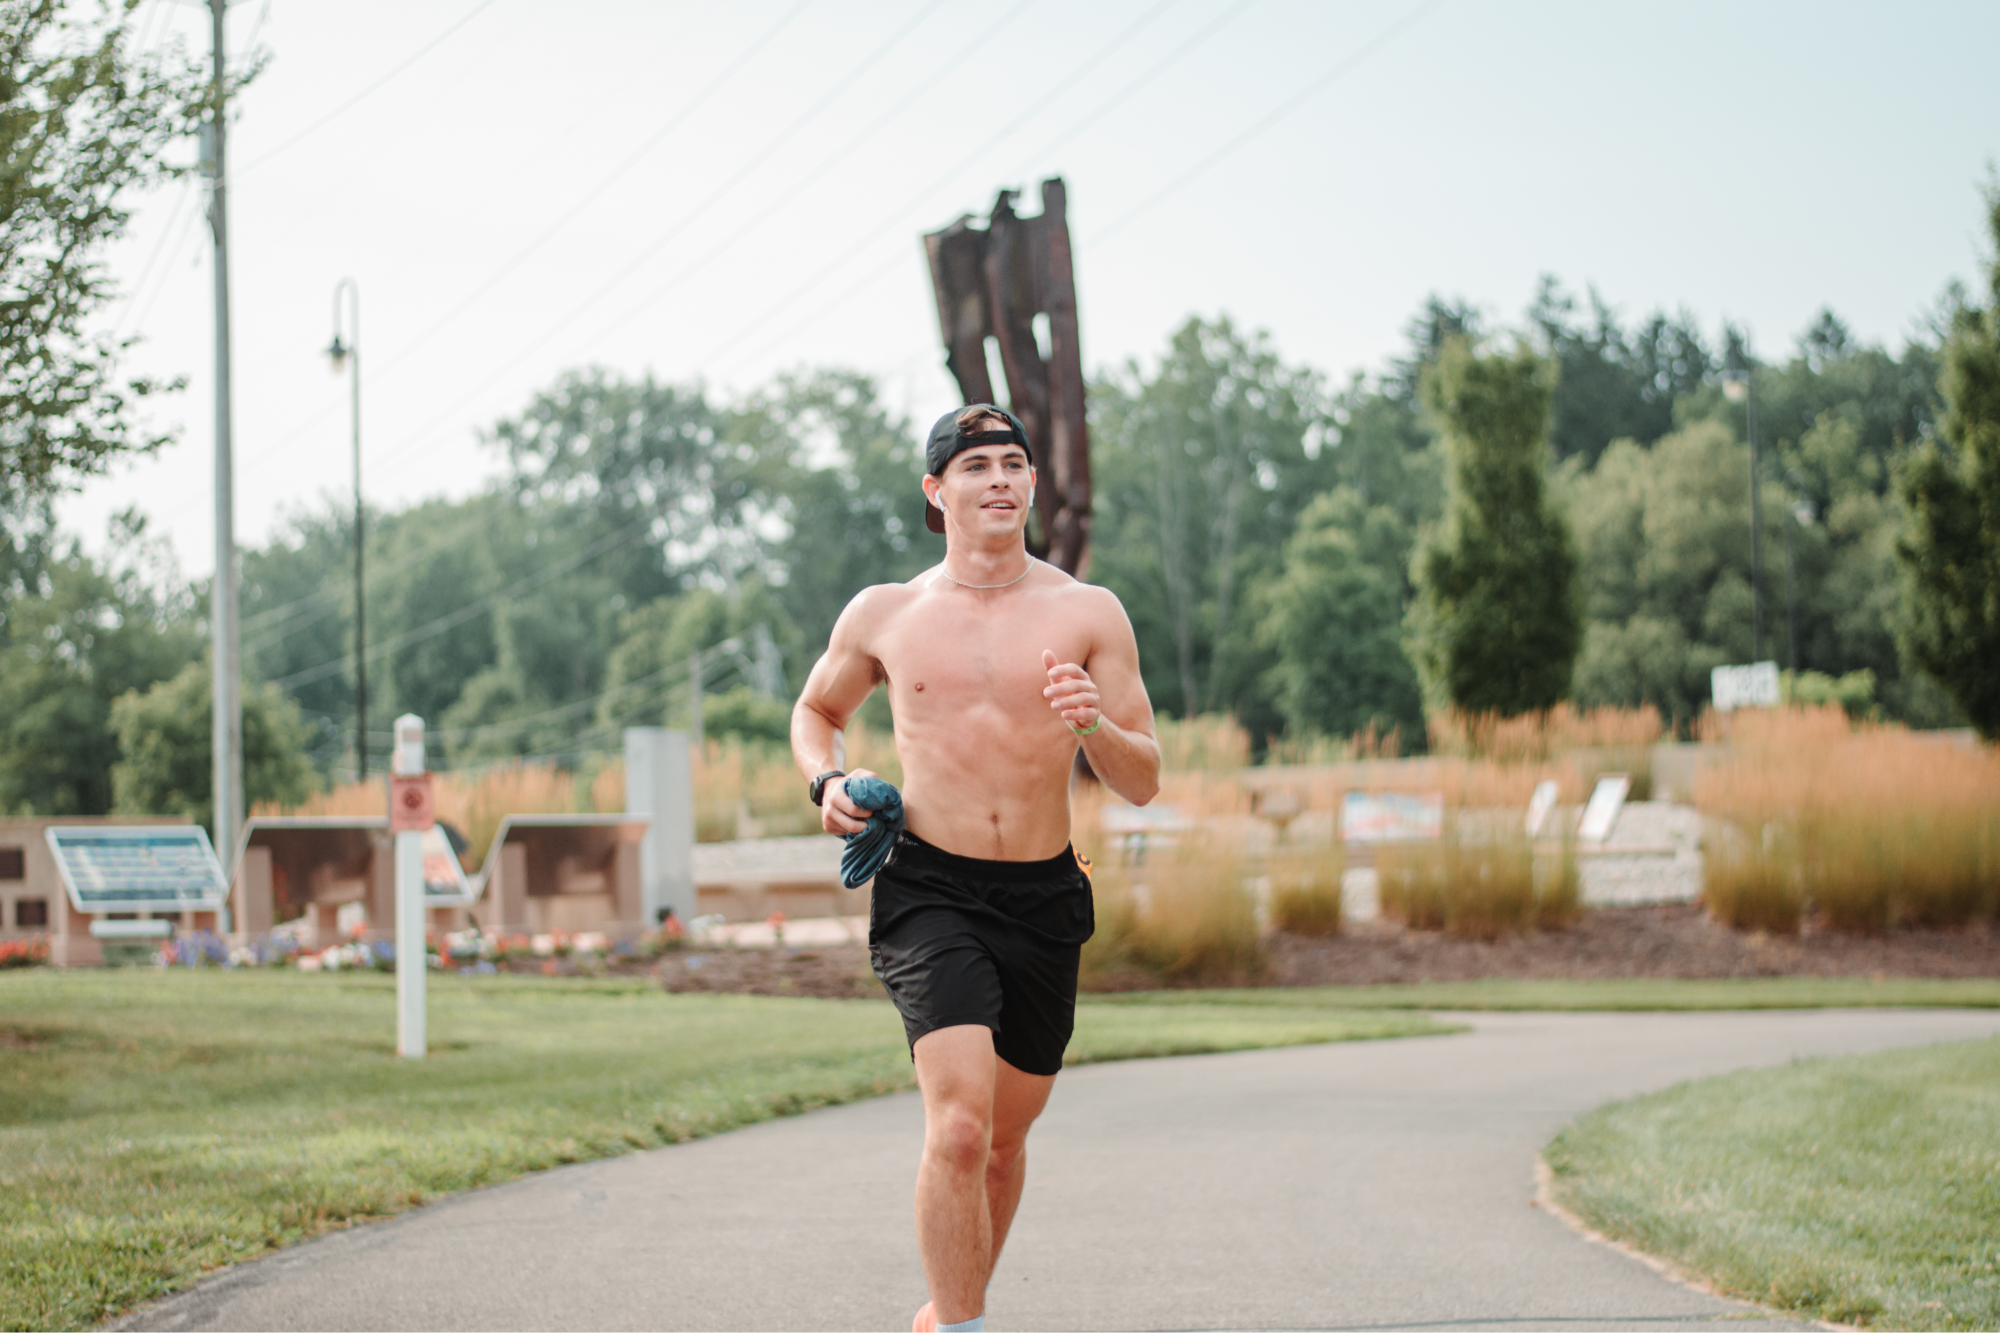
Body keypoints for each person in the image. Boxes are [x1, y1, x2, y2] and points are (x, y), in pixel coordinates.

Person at [790, 404, 1161, 1333]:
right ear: (936, 490)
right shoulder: (886, 612)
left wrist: (1092, 723)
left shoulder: (1088, 611)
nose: (1000, 478)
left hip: (1044, 894)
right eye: (976, 465)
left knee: (1001, 1143)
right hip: (930, 887)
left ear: (1032, 482)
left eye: (1013, 463)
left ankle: (945, 1314)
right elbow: (815, 711)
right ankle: (966, 1327)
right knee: (958, 1128)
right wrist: (825, 780)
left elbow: (1143, 779)